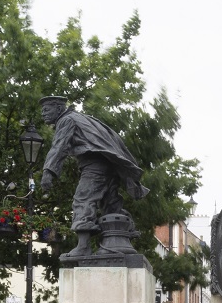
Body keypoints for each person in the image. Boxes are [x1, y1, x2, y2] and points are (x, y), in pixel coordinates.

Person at [36, 96, 148, 262]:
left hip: (94, 165)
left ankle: (83, 246)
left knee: (83, 199)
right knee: (110, 204)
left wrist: (48, 172)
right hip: (108, 163)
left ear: (59, 109)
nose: (43, 114)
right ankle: (119, 243)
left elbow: (59, 147)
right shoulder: (81, 118)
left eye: (47, 109)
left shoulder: (66, 120)